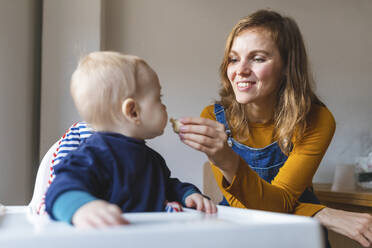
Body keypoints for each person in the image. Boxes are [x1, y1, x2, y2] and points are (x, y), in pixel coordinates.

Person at [176, 9, 372, 247]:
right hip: (241, 226)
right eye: (234, 58)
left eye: (258, 58)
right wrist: (321, 213)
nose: (240, 70)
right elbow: (241, 205)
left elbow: (283, 201)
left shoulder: (317, 119)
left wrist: (228, 161)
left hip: (296, 233)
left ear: (287, 66)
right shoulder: (214, 118)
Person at [45, 51, 216, 228]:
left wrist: (188, 194)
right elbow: (59, 190)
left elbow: (166, 187)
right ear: (133, 111)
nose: (164, 106)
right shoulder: (95, 153)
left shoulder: (151, 158)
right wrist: (83, 208)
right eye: (159, 98)